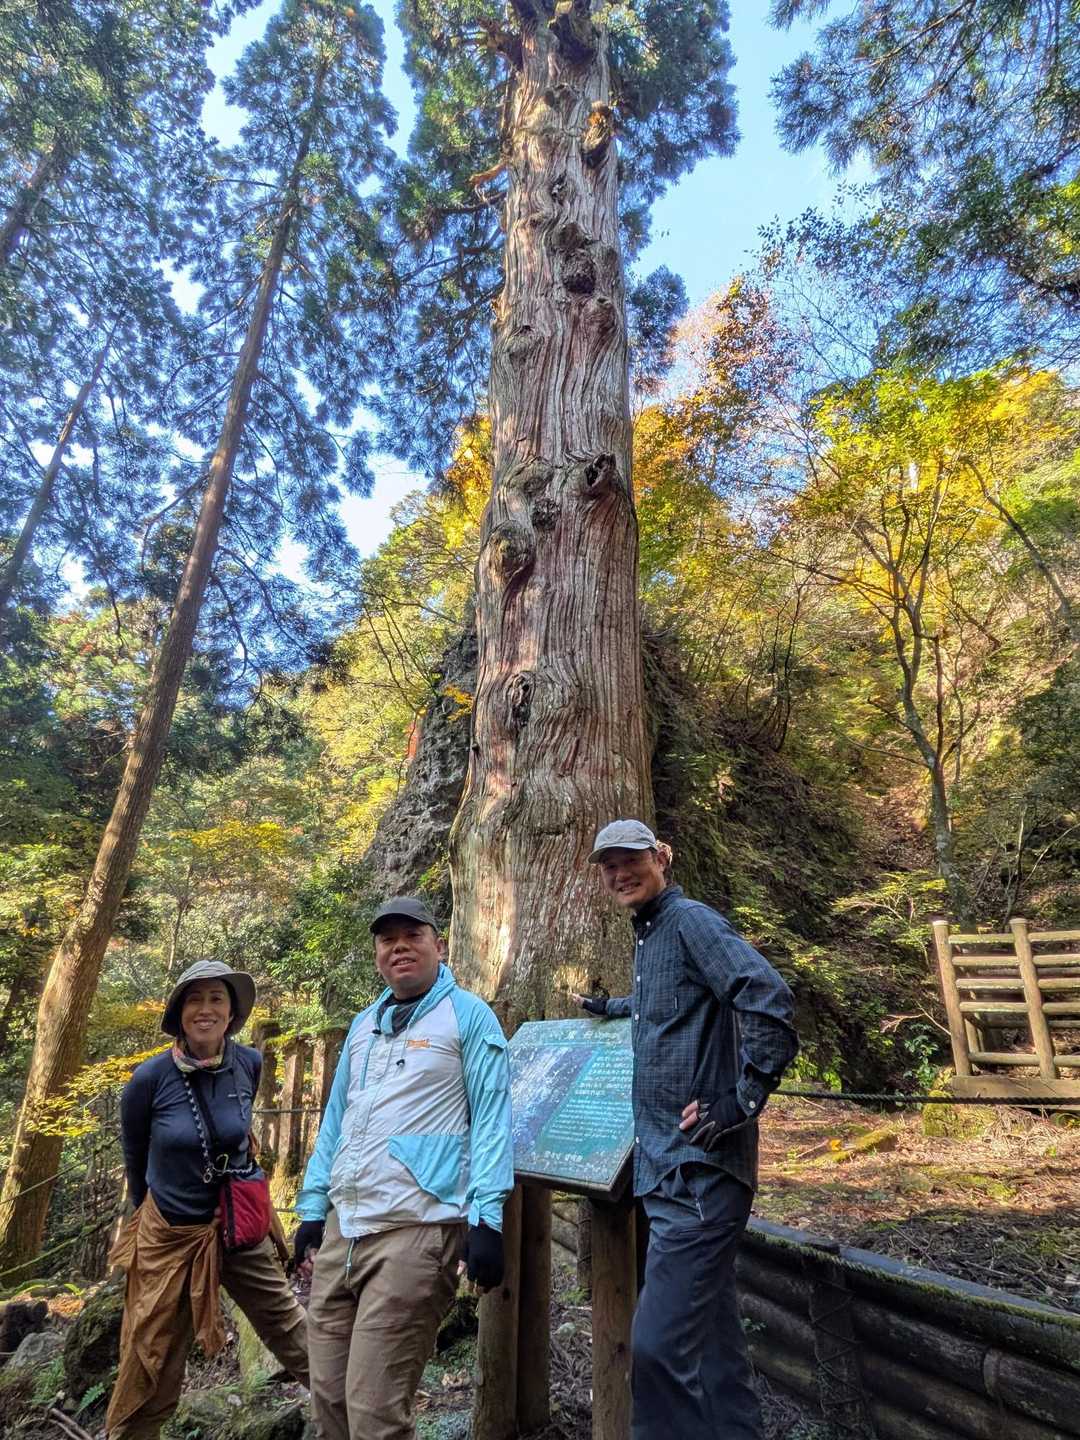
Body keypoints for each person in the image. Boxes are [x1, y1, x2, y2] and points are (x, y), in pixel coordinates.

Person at [573, 819, 798, 1440]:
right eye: (608, 865)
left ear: (660, 857)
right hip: (667, 1173)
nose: (620, 873)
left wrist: (740, 1098)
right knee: (715, 1353)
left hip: (699, 1174)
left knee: (656, 1351)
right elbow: (665, 1006)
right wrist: (612, 1008)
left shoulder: (690, 921)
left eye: (631, 859)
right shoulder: (650, 937)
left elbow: (767, 995)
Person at [294, 896, 514, 1440]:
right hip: (345, 1231)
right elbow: (336, 1120)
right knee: (328, 1400)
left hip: (415, 1230)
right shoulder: (363, 1025)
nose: (399, 947)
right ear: (376, 954)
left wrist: (487, 1218)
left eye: (412, 936)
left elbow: (492, 1119)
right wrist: (313, 1209)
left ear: (439, 944)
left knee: (375, 1413)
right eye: (387, 939)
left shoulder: (468, 1016)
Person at [108, 959, 309, 1440]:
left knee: (291, 1328)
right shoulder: (148, 1080)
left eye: (217, 998)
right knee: (151, 1355)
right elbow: (136, 1158)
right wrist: (155, 1216)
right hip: (170, 1235)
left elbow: (237, 1137)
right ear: (178, 1013)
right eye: (194, 1000)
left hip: (236, 1227)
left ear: (232, 1011)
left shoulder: (248, 1064)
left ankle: (356, 1418)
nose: (206, 1009)